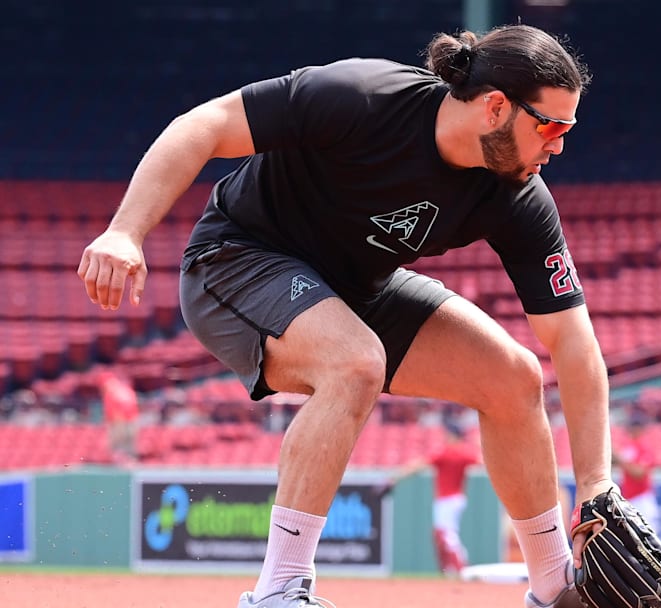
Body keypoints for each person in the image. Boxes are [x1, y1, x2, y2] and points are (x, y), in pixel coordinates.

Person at [78, 24, 616, 608]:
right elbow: (203, 124)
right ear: (494, 107)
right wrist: (125, 232)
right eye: (553, 126)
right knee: (355, 362)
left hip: (357, 287)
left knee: (514, 377)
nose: (560, 145)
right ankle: (279, 591)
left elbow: (573, 339)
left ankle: (555, 586)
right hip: (237, 260)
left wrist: (595, 486)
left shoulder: (518, 195)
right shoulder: (363, 96)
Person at [389, 420, 482, 576]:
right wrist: (477, 443)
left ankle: (461, 568)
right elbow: (481, 461)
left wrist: (395, 478)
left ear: (452, 435)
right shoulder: (465, 453)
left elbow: (418, 465)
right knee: (442, 534)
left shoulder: (445, 452)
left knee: (446, 535)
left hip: (446, 499)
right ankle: (448, 569)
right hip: (457, 498)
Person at [611, 413, 659, 536]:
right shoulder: (628, 447)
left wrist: (620, 458)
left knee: (648, 538)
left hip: (643, 499)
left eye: (635, 427)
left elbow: (639, 473)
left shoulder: (645, 448)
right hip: (628, 499)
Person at [97, 368, 140, 464]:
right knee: (129, 448)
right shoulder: (125, 389)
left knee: (120, 449)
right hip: (131, 421)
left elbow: (116, 416)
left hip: (121, 423)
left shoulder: (112, 393)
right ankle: (128, 460)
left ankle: (122, 461)